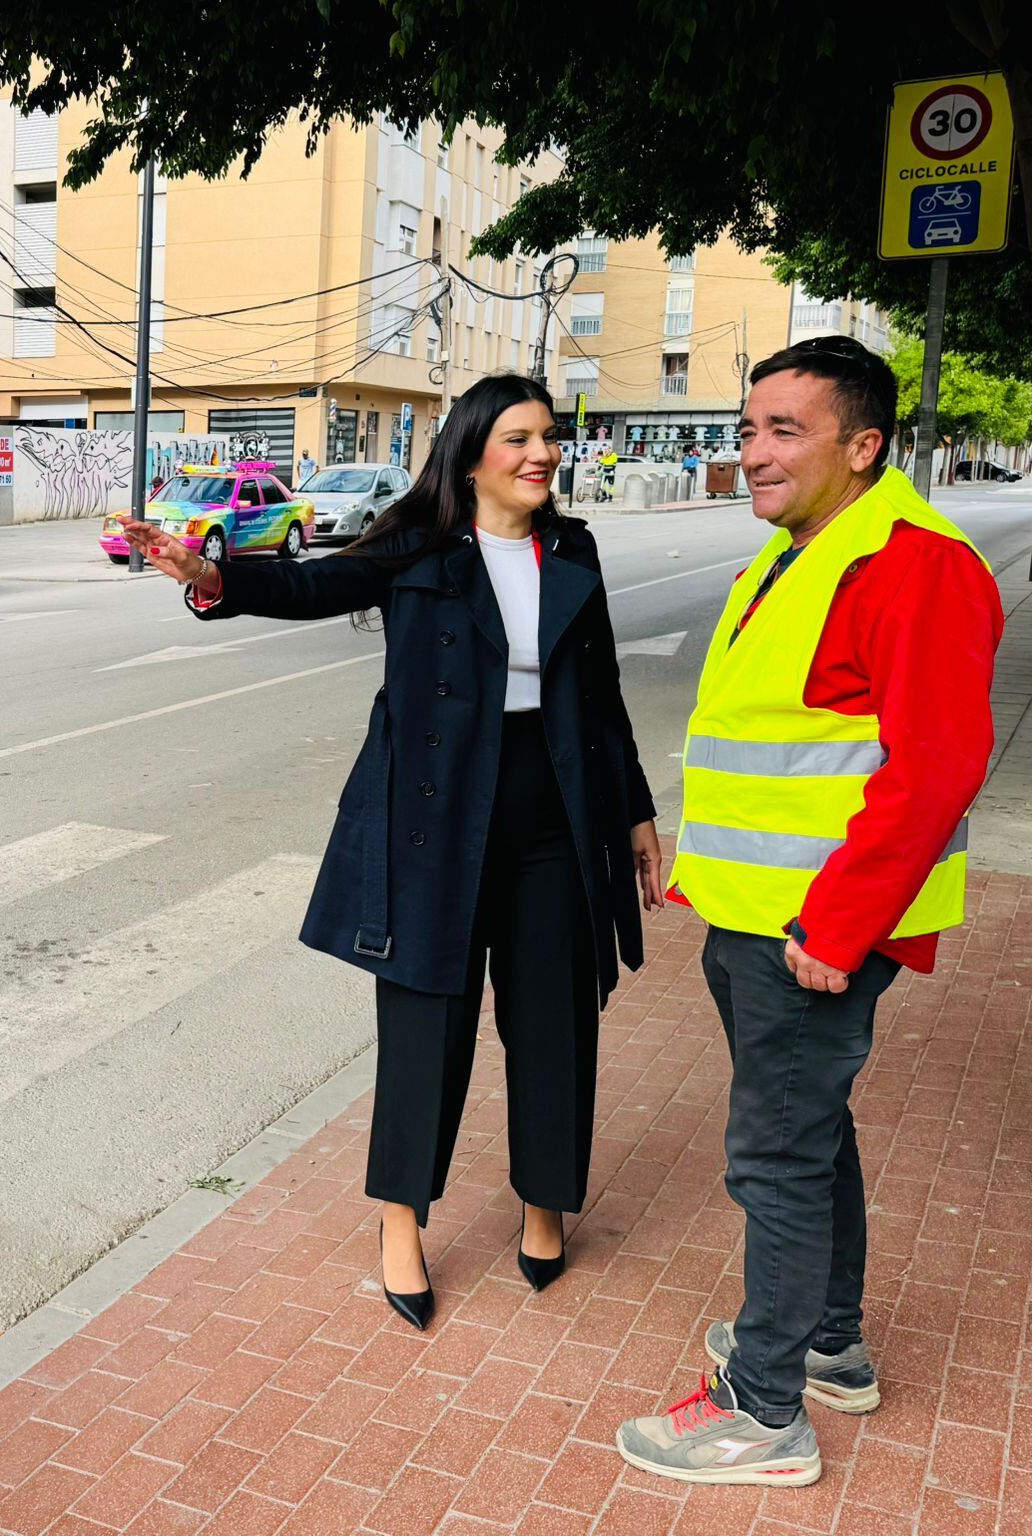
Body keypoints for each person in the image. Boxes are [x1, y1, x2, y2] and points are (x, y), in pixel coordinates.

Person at [121, 373, 665, 1330]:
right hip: (435, 818)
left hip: (554, 812)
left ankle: (544, 1204)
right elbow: (313, 585)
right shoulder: (419, 544)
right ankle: (401, 1222)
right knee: (426, 1030)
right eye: (518, 439)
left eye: (547, 437)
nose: (541, 454)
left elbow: (602, 692)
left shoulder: (570, 547)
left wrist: (635, 812)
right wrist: (212, 576)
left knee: (554, 1020)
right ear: (472, 454)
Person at [616, 336, 1002, 1487]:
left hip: (810, 934)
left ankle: (762, 1408)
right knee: (806, 1135)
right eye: (747, 430)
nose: (752, 453)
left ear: (863, 444)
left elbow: (934, 768)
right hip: (759, 919)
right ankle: (826, 1342)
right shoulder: (800, 552)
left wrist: (835, 931)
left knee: (775, 1159)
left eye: (783, 430)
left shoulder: (909, 564)